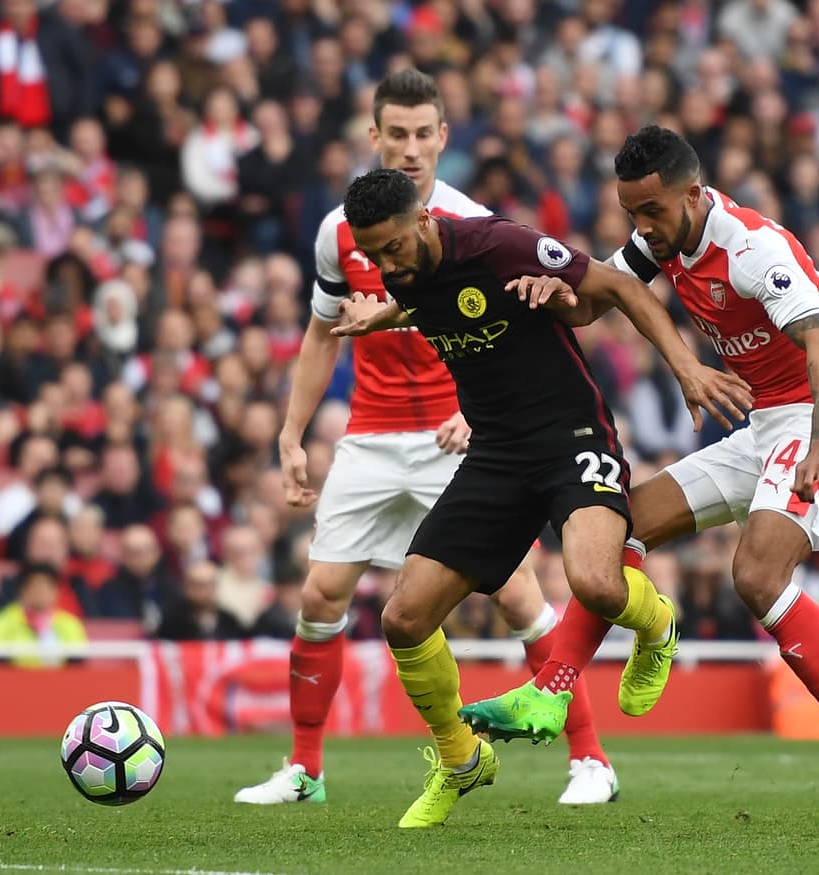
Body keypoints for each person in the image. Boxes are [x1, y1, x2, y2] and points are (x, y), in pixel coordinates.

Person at [460, 125, 819, 830]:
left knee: (757, 576)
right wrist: (548, 290)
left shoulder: (752, 248)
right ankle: (551, 691)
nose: (642, 228)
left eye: (653, 212)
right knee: (620, 526)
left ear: (694, 195)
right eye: (631, 214)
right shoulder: (658, 239)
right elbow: (589, 303)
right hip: (767, 420)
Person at [235, 71, 626, 808]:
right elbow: (323, 333)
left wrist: (480, 416)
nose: (411, 149)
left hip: (460, 435)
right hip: (372, 432)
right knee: (320, 594)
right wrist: (291, 433)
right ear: (374, 137)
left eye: (424, 134)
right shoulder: (339, 230)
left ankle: (590, 759)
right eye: (397, 134)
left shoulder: (471, 224)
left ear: (443, 137)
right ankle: (305, 769)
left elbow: (521, 332)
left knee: (518, 596)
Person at [324, 167, 748, 829]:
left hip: (570, 433)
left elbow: (618, 286)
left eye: (395, 248)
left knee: (595, 583)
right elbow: (432, 295)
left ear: (425, 221)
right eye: (374, 255)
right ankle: (461, 759)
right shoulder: (399, 271)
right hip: (495, 453)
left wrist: (687, 368)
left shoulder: (498, 245)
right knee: (403, 618)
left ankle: (657, 623)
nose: (387, 263)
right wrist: (389, 311)